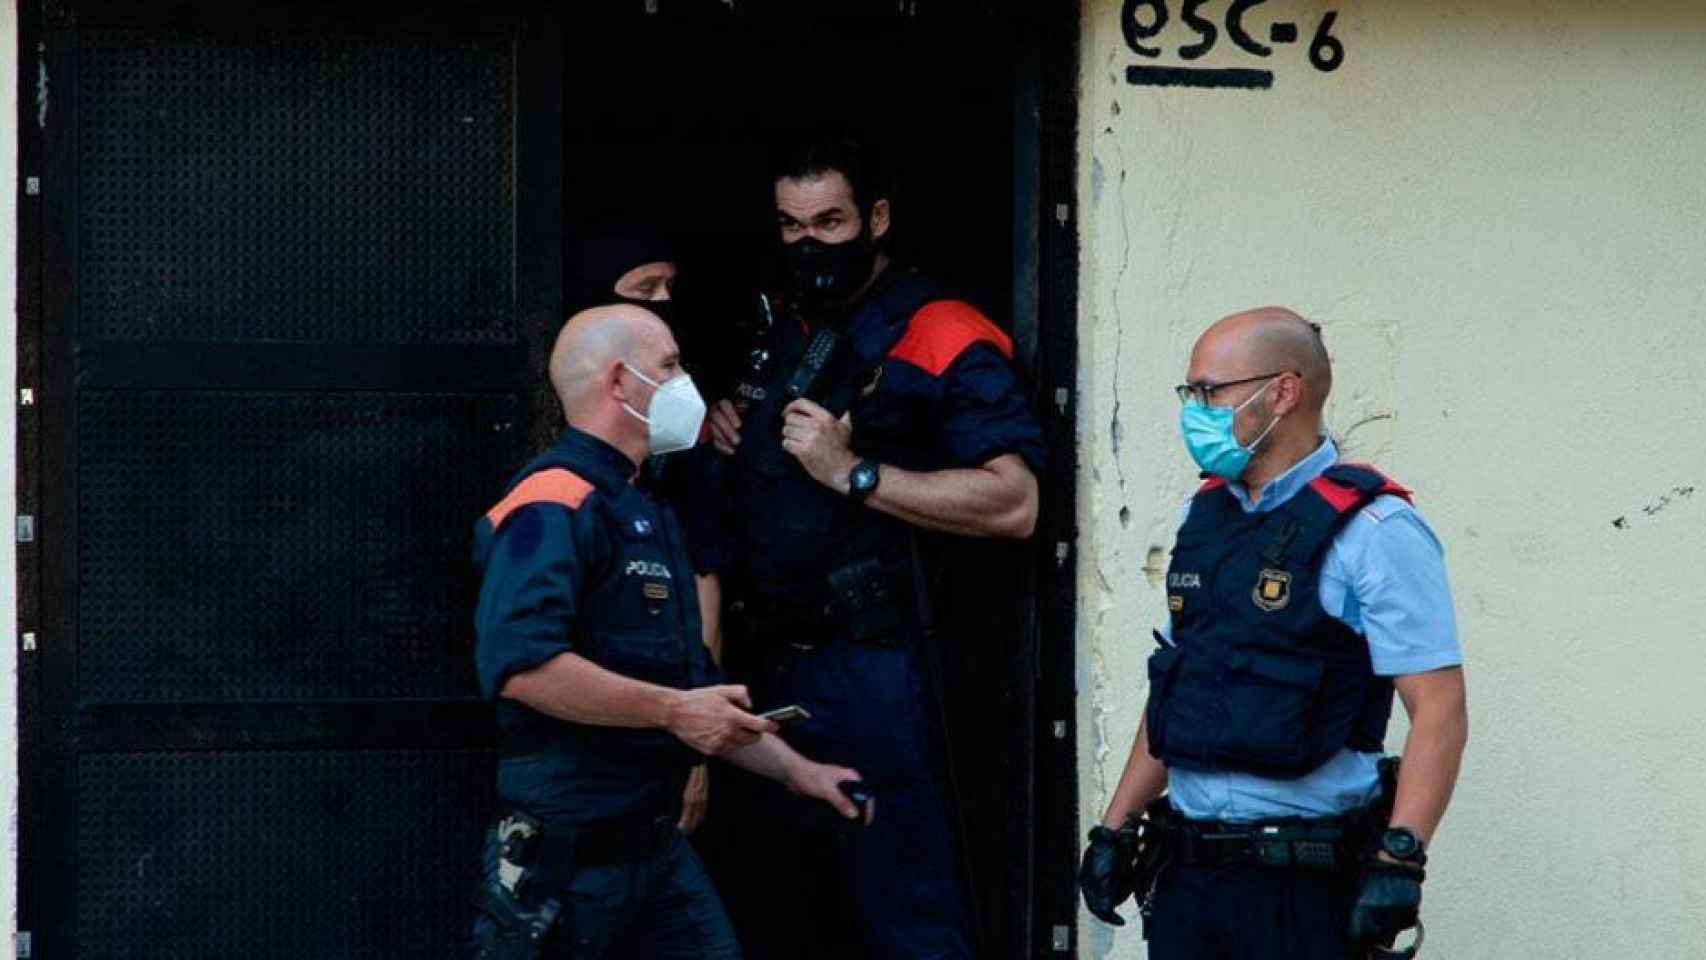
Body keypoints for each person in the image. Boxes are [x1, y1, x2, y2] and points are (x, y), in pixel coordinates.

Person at [700, 136, 1046, 959]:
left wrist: (850, 472)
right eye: (791, 225)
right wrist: (729, 433)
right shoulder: (777, 322)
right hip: (767, 666)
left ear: (877, 219)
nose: (809, 243)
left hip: (882, 667)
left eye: (829, 221)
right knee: (777, 909)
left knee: (906, 912)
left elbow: (1017, 502)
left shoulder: (941, 328)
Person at [468, 304, 870, 960]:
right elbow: (522, 666)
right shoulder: (552, 504)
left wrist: (801, 772)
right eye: (670, 367)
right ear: (620, 384)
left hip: (653, 854)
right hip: (565, 867)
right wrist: (674, 711)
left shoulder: (642, 510)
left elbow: (694, 694)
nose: (688, 384)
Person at [1078, 307, 1469, 959]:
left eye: (1210, 392)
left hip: (1302, 885)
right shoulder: (1204, 517)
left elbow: (1439, 710)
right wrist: (1114, 829)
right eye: (1190, 392)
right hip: (1190, 878)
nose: (1193, 409)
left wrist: (1401, 859)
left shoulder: (1374, 531)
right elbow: (1182, 687)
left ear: (1283, 392)